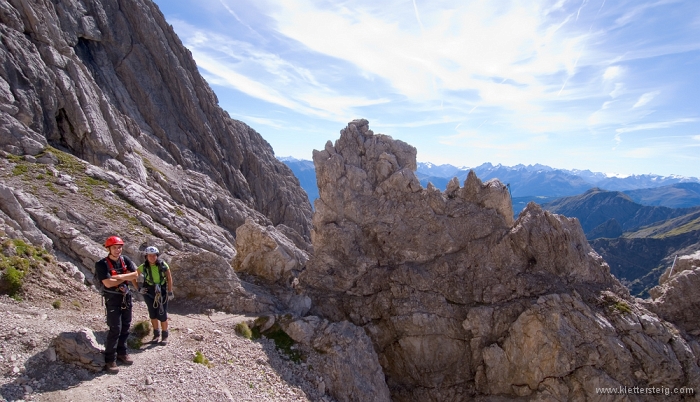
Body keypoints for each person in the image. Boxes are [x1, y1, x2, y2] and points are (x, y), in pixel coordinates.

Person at [94, 236, 139, 374]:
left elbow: (136, 275)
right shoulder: (102, 264)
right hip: (112, 299)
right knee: (115, 328)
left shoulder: (125, 260)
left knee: (126, 326)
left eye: (119, 247)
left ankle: (122, 352)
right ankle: (110, 359)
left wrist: (118, 277)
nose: (117, 250)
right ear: (108, 249)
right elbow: (107, 283)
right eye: (114, 247)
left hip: (126, 297)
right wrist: (126, 277)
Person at [137, 246, 174, 345]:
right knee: (152, 313)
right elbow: (134, 275)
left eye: (154, 255)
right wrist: (138, 288)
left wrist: (170, 291)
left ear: (157, 256)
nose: (152, 257)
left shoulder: (163, 265)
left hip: (161, 291)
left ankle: (164, 336)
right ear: (146, 256)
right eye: (150, 256)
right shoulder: (143, 266)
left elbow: (169, 278)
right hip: (149, 291)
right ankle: (156, 334)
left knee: (162, 313)